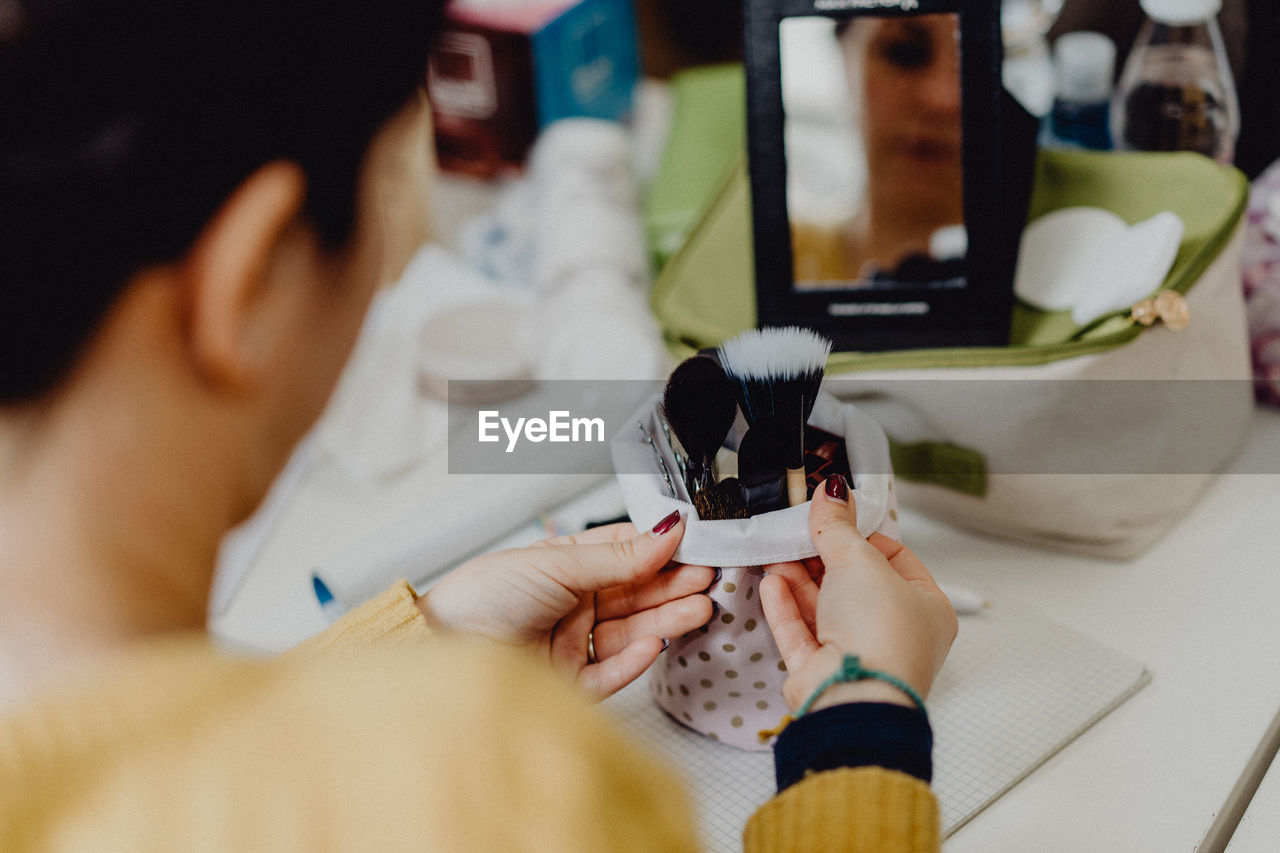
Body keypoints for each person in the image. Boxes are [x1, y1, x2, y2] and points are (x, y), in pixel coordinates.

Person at [0, 2, 957, 850]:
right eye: (384, 201)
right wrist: (862, 729)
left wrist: (427, 647)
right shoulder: (504, 790)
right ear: (245, 285)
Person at [791, 13, 966, 287]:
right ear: (844, 58)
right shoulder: (760, 255)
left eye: (979, 62)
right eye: (904, 51)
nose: (942, 98)